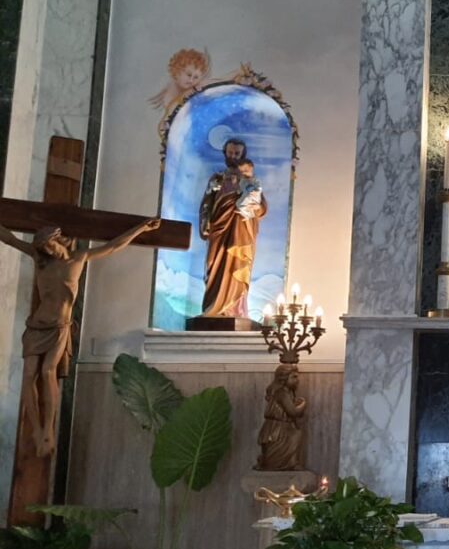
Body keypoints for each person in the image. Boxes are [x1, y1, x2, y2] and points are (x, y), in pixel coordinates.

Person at [0, 217, 162, 457]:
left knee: (47, 371)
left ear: (60, 240)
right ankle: (36, 429)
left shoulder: (78, 258)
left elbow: (114, 246)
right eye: (45, 247)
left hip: (59, 327)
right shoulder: (40, 259)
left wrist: (140, 228)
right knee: (28, 375)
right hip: (36, 325)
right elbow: (10, 239)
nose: (49, 250)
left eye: (51, 244)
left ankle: (48, 429)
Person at [199, 138, 267, 320]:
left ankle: (235, 310)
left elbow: (261, 207)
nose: (233, 156)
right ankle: (214, 308)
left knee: (237, 266)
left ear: (243, 155)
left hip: (241, 232)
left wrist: (251, 207)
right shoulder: (217, 179)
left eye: (237, 153)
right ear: (225, 154)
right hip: (219, 231)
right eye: (230, 153)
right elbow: (206, 204)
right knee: (215, 266)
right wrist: (205, 223)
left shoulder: (250, 181)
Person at [256, 364, 310, 471]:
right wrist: (303, 404)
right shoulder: (282, 393)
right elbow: (293, 412)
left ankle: (290, 463)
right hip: (278, 429)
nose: (297, 380)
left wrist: (296, 403)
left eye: (297, 377)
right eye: (294, 377)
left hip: (285, 427)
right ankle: (282, 464)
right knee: (283, 447)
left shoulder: (288, 393)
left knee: (295, 436)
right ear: (283, 379)